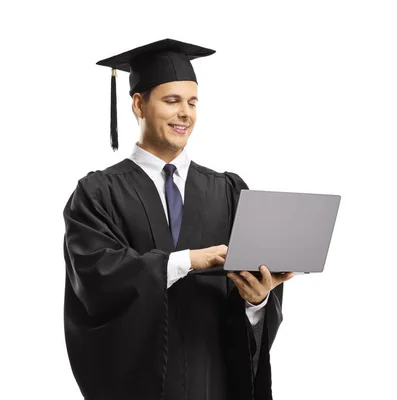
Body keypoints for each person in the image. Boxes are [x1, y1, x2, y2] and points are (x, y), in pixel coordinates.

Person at [62, 38, 294, 400]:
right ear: (139, 104)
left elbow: (250, 311)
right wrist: (184, 261)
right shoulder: (98, 194)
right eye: (172, 101)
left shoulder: (229, 191)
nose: (185, 113)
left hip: (214, 386)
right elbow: (95, 278)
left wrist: (257, 300)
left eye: (192, 102)